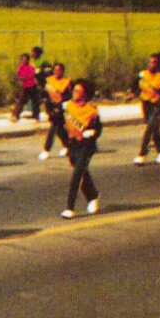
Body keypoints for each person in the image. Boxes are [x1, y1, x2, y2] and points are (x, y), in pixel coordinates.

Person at [60, 79, 101, 219]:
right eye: (74, 90)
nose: (74, 92)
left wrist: (92, 133)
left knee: (77, 174)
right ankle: (93, 195)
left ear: (84, 94)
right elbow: (59, 125)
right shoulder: (67, 106)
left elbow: (98, 128)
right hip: (73, 145)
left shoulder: (91, 110)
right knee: (82, 172)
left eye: (78, 91)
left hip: (86, 146)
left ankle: (69, 208)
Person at [132, 52, 160, 165]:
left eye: (154, 62)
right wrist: (133, 93)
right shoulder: (143, 74)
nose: (150, 64)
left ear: (159, 65)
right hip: (146, 104)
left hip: (158, 104)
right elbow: (135, 86)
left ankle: (142, 153)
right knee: (153, 129)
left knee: (149, 128)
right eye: (150, 62)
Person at [38, 62, 73, 161]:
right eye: (55, 70)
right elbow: (44, 94)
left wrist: (62, 103)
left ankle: (46, 149)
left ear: (63, 71)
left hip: (61, 108)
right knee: (59, 129)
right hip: (50, 107)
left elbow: (70, 96)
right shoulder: (49, 81)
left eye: (59, 70)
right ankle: (68, 146)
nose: (57, 72)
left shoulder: (67, 82)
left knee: (54, 127)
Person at [10, 52, 41, 122]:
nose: (24, 61)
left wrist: (29, 77)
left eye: (26, 59)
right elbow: (19, 76)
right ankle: (15, 115)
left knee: (35, 101)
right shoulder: (20, 68)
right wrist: (23, 78)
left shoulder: (31, 67)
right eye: (23, 59)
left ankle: (36, 116)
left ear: (28, 60)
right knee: (21, 101)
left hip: (33, 86)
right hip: (26, 86)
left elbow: (34, 74)